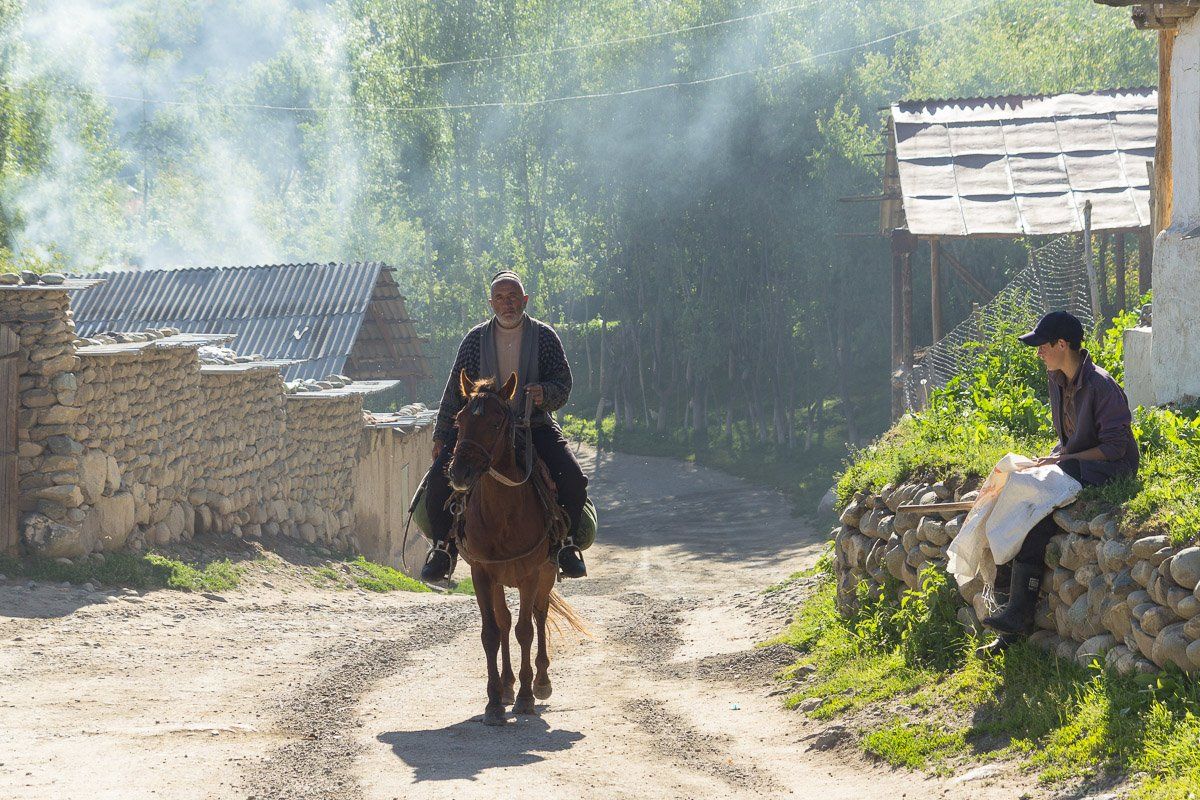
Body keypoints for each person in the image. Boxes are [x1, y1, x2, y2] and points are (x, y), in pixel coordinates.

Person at [978, 310, 1139, 656]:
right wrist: (1056, 456)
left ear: (1062, 344)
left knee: (1035, 518)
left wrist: (1064, 461)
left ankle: (1016, 619)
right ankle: (1010, 618)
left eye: (1042, 346)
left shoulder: (1101, 385)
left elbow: (1115, 449)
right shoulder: (1058, 379)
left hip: (1109, 469)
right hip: (1076, 464)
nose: (1038, 353)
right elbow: (1070, 441)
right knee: (1015, 502)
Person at [419, 270, 588, 582]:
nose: (506, 303)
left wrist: (545, 393)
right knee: (439, 480)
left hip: (532, 425)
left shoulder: (544, 337)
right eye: (500, 298)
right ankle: (443, 550)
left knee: (573, 479)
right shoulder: (474, 340)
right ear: (490, 303)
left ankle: (565, 544)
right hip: (482, 429)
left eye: (513, 297)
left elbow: (563, 384)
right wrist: (442, 435)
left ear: (524, 300)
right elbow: (454, 392)